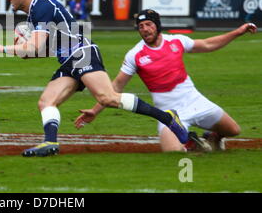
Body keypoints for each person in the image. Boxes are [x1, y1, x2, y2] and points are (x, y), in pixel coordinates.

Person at [0, 0, 188, 157]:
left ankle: (168, 118)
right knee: (46, 102)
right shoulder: (37, 9)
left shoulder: (41, 6)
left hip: (82, 54)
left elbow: (35, 45)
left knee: (107, 98)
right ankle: (50, 142)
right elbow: (51, 47)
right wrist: (30, 52)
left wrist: (2, 48)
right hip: (69, 59)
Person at [75, 10, 257, 152]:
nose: (145, 29)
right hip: (168, 114)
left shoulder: (177, 41)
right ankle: (190, 139)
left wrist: (238, 32)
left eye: (148, 24)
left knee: (234, 130)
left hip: (195, 101)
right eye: (141, 26)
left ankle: (213, 137)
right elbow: (116, 86)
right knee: (173, 151)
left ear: (157, 25)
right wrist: (95, 110)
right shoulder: (135, 55)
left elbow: (208, 44)